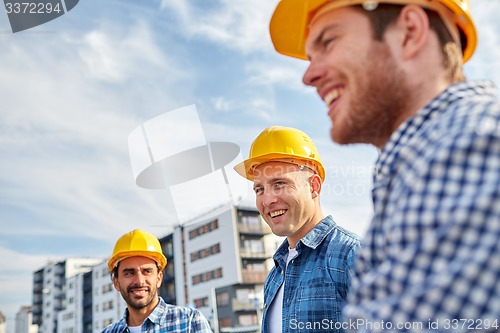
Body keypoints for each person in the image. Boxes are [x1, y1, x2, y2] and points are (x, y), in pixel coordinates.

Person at [269, 0, 500, 332]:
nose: (309, 75)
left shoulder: (470, 147)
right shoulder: (418, 169)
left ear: (409, 32)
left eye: (329, 41)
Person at [234, 126, 361, 333]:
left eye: (280, 184)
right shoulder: (274, 277)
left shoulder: (351, 255)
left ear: (314, 187)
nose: (267, 200)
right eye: (259, 189)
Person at [102, 229, 212, 333]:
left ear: (159, 278)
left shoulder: (190, 322)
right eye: (129, 273)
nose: (139, 281)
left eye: (147, 271)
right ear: (116, 283)